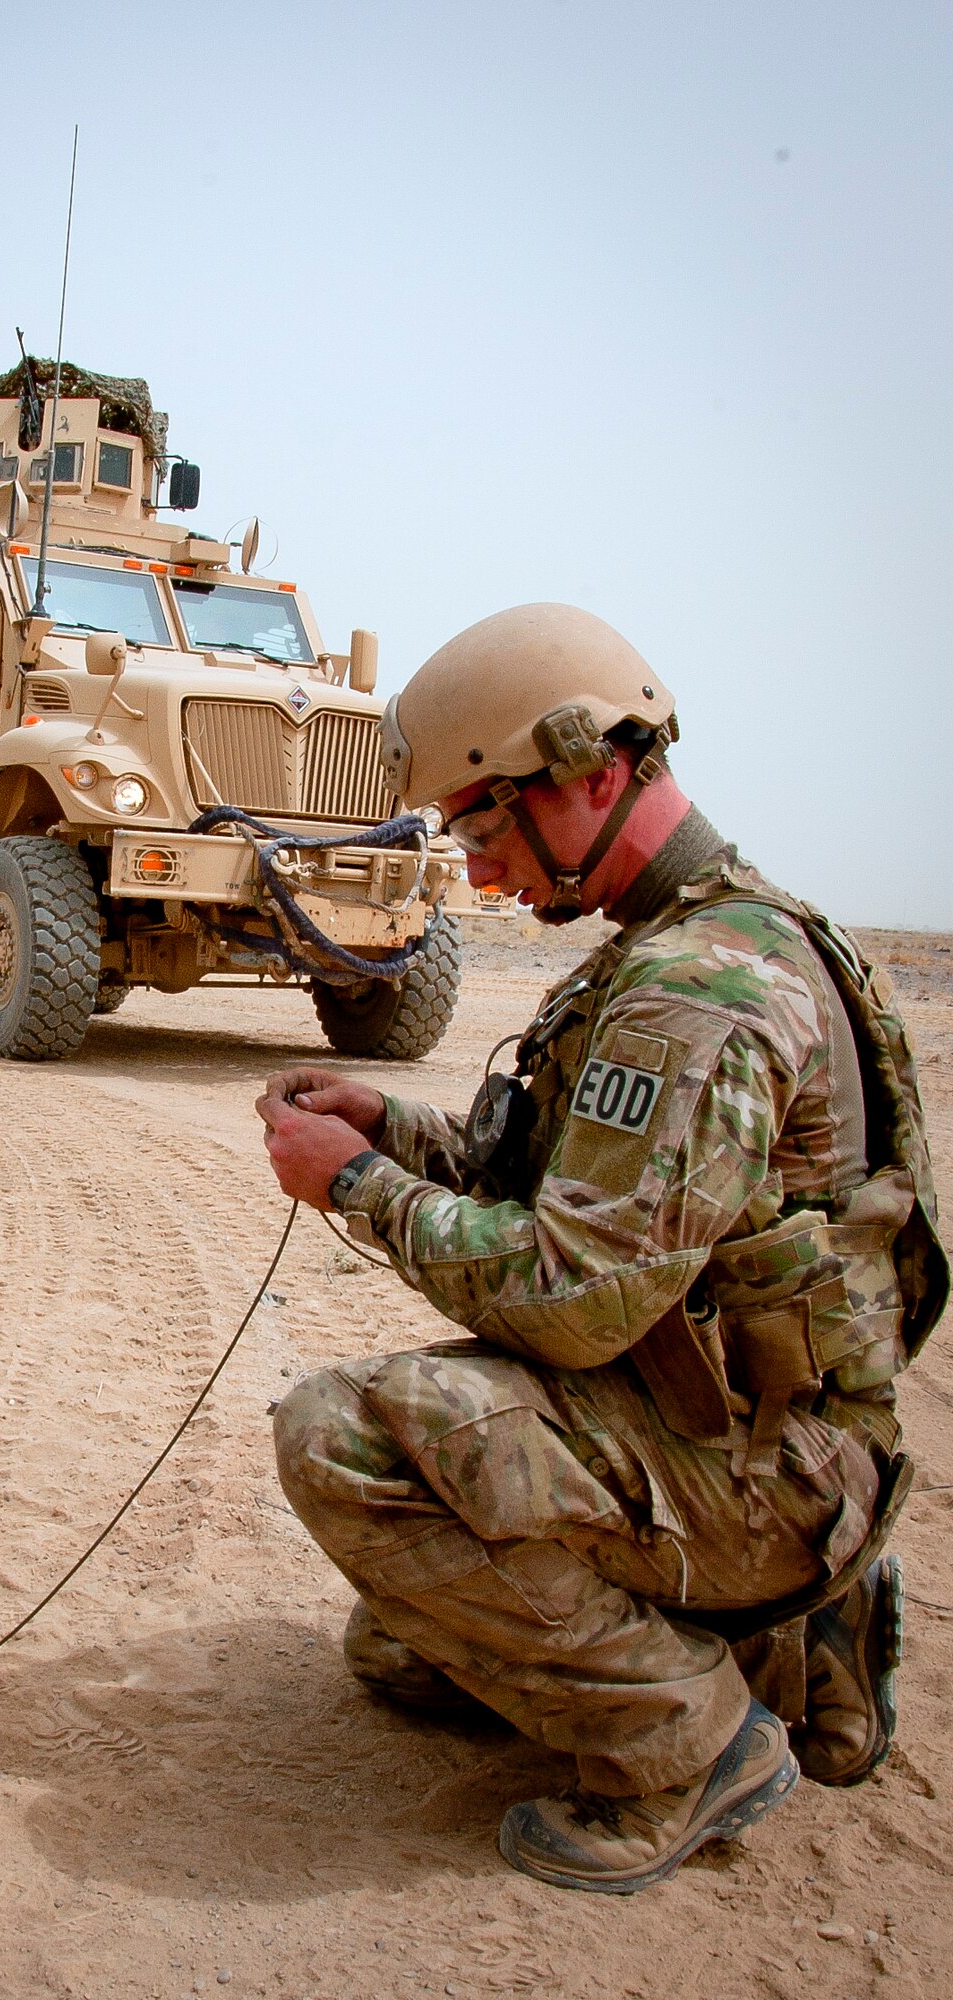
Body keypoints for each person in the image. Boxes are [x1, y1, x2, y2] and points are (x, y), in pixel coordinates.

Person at [257, 603, 945, 1895]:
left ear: (589, 773)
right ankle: (775, 1642)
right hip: (745, 1428)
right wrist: (393, 1129)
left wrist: (356, 1188)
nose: (478, 868)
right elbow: (570, 1190)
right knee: (401, 1649)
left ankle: (682, 1743)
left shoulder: (698, 991)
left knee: (341, 1437)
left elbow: (571, 1298)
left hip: (766, 1468)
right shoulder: (699, 942)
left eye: (483, 822)